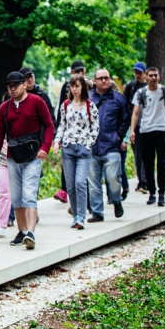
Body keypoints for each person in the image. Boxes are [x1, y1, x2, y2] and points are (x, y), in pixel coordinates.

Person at [0, 71, 55, 250]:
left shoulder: (37, 102)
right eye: (10, 86)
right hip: (12, 157)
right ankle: (22, 231)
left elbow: (49, 125)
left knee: (29, 194)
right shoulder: (5, 107)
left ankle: (31, 233)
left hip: (33, 156)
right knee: (16, 196)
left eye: (16, 85)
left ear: (24, 84)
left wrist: (45, 147)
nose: (13, 89)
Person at [53, 75, 99, 228]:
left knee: (80, 182)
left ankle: (81, 217)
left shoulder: (90, 106)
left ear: (82, 88)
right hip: (68, 147)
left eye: (77, 86)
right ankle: (76, 215)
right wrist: (57, 141)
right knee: (71, 185)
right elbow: (62, 125)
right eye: (72, 86)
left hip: (83, 148)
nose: (74, 89)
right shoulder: (65, 105)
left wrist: (89, 143)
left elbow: (95, 127)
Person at [129, 67, 165, 207]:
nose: (153, 78)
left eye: (155, 75)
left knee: (162, 162)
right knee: (148, 163)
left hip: (162, 129)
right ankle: (151, 192)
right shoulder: (141, 93)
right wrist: (132, 130)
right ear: (146, 77)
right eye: (150, 75)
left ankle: (161, 192)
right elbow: (136, 113)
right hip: (146, 131)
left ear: (159, 76)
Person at [86, 69, 128, 223]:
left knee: (113, 178)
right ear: (95, 81)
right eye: (100, 78)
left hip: (111, 145)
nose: (104, 81)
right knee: (93, 182)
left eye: (106, 78)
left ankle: (116, 200)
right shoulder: (88, 98)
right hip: (91, 146)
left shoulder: (118, 98)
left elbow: (126, 118)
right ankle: (97, 212)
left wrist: (119, 135)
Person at [53, 60, 92, 204]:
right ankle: (68, 195)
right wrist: (58, 137)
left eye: (81, 71)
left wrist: (91, 140)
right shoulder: (66, 88)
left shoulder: (90, 86)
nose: (79, 74)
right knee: (69, 170)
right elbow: (61, 113)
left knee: (83, 175)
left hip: (85, 138)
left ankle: (86, 202)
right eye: (76, 72)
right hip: (69, 135)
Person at [123, 62, 148, 194]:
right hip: (136, 126)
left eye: (140, 72)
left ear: (145, 72)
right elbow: (125, 103)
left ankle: (145, 180)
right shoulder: (131, 86)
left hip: (149, 126)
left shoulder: (150, 87)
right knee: (138, 153)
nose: (137, 75)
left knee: (146, 153)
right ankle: (142, 180)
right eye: (135, 72)